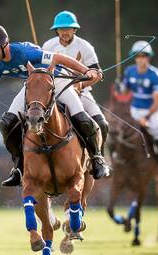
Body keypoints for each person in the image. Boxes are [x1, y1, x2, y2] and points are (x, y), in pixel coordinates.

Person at [0, 24, 110, 187]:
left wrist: (86, 70)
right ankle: (18, 167)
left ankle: (97, 158)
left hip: (55, 80)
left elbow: (58, 58)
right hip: (32, 86)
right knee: (6, 123)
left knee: (81, 117)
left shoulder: (26, 53)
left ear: (5, 45)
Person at [43, 11, 108, 155]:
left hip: (81, 91)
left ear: (74, 29)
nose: (64, 32)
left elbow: (98, 74)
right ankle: (21, 164)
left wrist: (81, 85)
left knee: (102, 123)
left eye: (68, 29)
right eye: (61, 29)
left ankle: (99, 157)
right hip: (55, 91)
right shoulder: (48, 45)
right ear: (56, 30)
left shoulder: (85, 46)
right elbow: (41, 71)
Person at [116, 41, 158, 186]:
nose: (141, 58)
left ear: (148, 57)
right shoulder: (130, 71)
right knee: (118, 132)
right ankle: (115, 161)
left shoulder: (155, 75)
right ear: (134, 57)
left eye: (144, 56)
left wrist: (147, 117)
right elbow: (124, 91)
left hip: (152, 112)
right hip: (134, 110)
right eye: (138, 56)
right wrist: (120, 86)